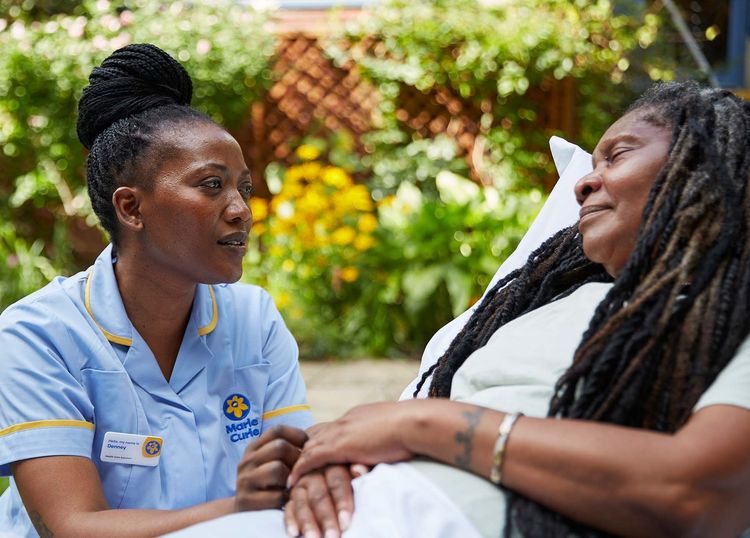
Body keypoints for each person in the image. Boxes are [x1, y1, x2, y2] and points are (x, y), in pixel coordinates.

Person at [173, 81, 750, 538]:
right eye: (589, 163)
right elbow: (418, 419)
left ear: (701, 167)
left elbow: (696, 495)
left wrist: (417, 424)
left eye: (617, 155)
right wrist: (328, 457)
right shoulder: (541, 302)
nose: (584, 183)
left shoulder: (727, 312)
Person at [0, 44, 315, 537]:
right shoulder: (37, 335)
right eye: (212, 185)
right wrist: (239, 508)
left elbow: (296, 476)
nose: (240, 210)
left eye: (244, 188)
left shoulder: (254, 318)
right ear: (131, 208)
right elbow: (72, 526)